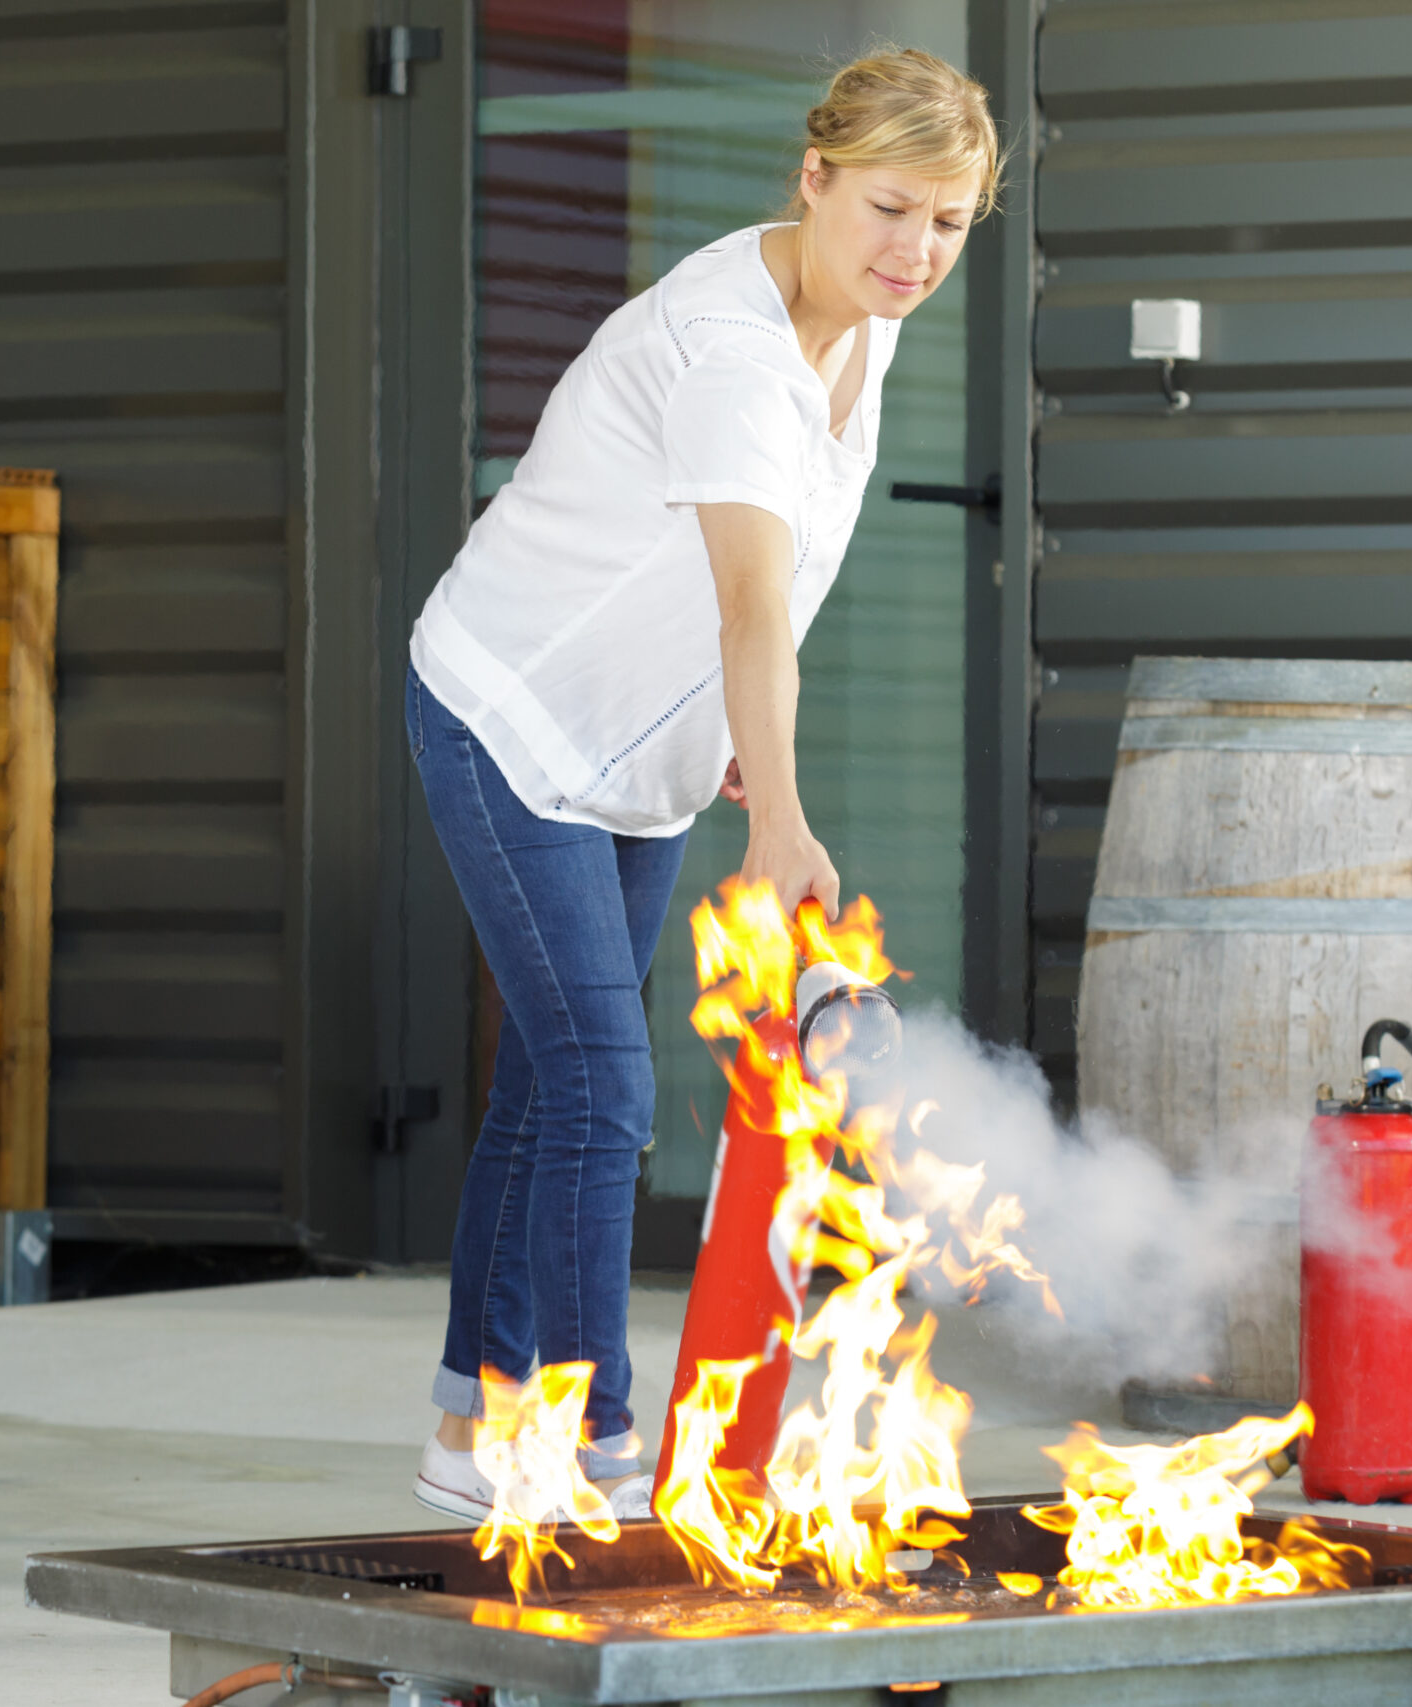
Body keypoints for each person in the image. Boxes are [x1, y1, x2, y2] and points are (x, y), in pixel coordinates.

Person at [405, 46, 999, 1520]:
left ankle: (465, 1420)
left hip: (648, 750)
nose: (916, 252)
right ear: (812, 178)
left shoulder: (863, 319)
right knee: (604, 1087)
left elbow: (771, 595)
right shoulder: (732, 351)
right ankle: (587, 1445)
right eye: (888, 209)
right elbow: (749, 596)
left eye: (949, 224)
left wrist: (741, 731)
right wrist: (784, 816)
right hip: (514, 717)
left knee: (551, 1083)